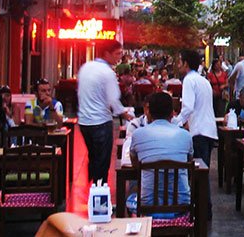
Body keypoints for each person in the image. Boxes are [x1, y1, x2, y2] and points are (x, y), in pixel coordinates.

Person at [130, 92, 193, 217]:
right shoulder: (185, 135)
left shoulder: (138, 134)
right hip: (181, 206)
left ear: (149, 113)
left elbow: (135, 164)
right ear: (172, 113)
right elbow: (189, 161)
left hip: (148, 206)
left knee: (130, 194)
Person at [78, 39, 132, 184]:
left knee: (94, 157)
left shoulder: (85, 67)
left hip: (84, 123)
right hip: (100, 122)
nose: (120, 57)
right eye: (117, 53)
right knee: (102, 161)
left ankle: (93, 189)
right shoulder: (107, 72)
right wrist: (126, 114)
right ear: (107, 53)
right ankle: (100, 196)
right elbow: (113, 99)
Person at [172, 49, 216, 218]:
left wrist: (174, 123)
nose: (178, 65)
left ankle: (203, 211)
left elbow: (188, 108)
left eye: (179, 61)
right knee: (201, 172)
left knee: (199, 174)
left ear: (186, 63)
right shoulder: (203, 80)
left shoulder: (189, 80)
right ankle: (204, 209)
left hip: (199, 132)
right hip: (208, 130)